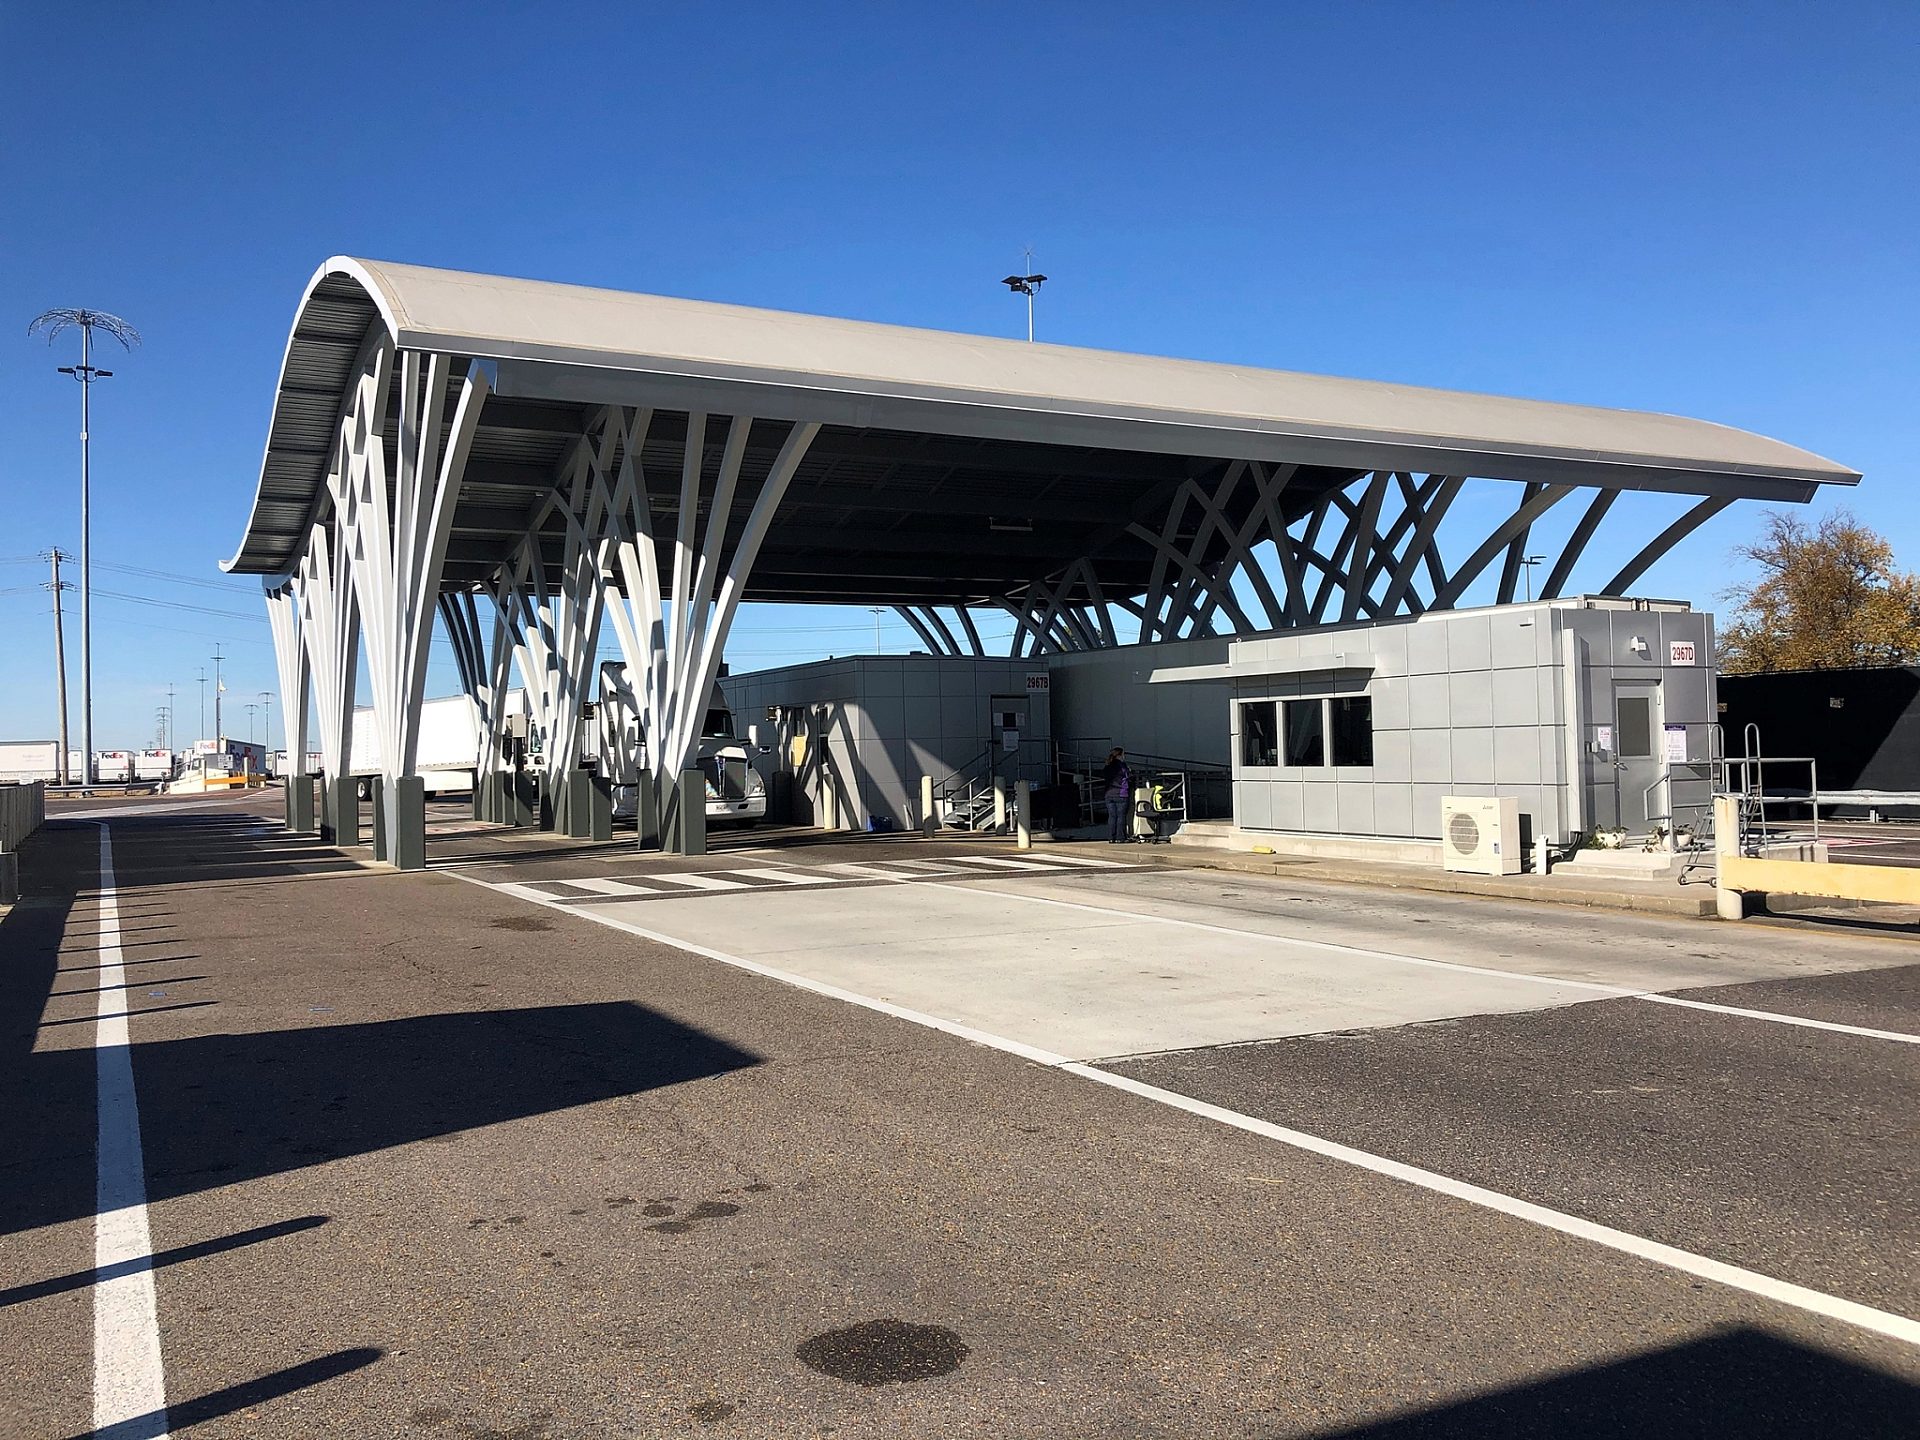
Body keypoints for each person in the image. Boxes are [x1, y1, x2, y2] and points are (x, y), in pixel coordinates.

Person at [1101, 746, 1132, 843]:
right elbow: (1128, 777)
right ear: (1120, 755)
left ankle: (1111, 837)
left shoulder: (1107, 766)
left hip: (1109, 793)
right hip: (1121, 793)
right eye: (1123, 754)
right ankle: (1120, 837)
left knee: (1112, 816)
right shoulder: (1122, 766)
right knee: (1121, 816)